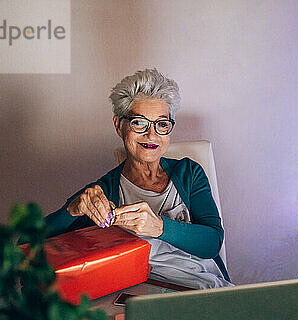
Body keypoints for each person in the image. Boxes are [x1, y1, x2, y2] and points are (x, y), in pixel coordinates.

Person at [45, 69, 231, 289]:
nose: (151, 135)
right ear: (119, 125)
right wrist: (72, 209)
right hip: (139, 293)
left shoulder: (189, 173)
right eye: (139, 123)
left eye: (161, 124)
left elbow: (212, 243)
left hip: (201, 288)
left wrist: (159, 227)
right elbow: (27, 242)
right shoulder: (104, 192)